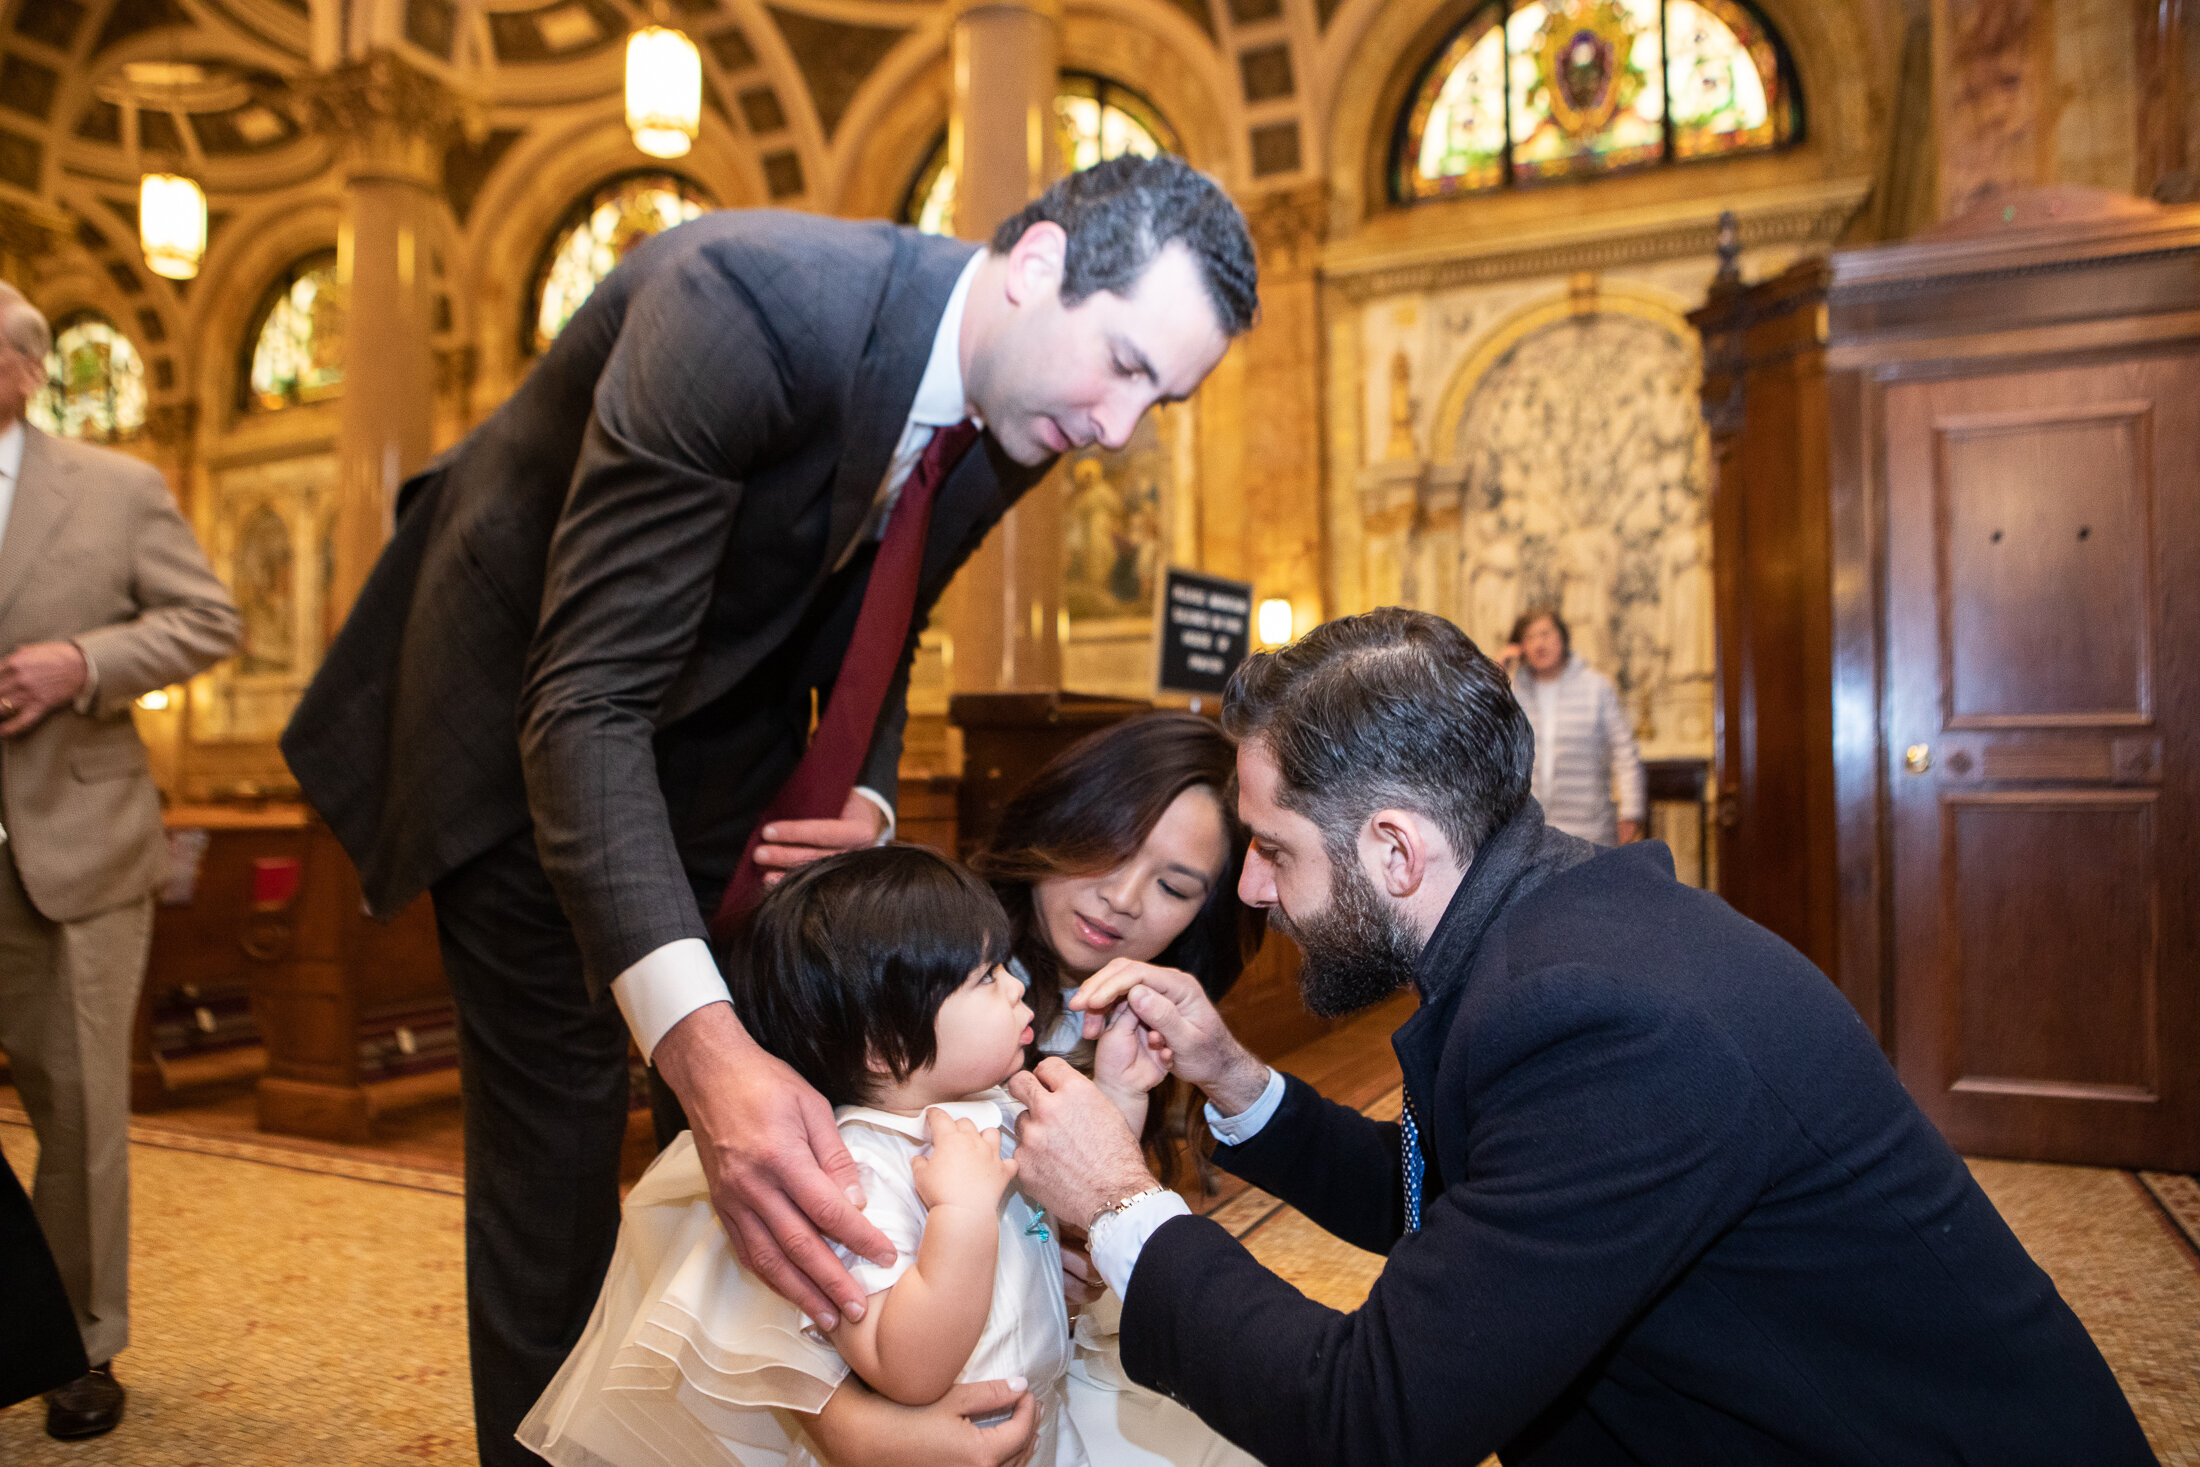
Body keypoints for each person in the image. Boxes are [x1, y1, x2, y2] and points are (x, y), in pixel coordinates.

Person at [280, 155, 1257, 1465]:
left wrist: (861, 782)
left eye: (1164, 396)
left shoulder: (1021, 399)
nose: (1126, 426)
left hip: (707, 750)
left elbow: (889, 609)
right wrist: (700, 1046)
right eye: (1127, 364)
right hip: (518, 748)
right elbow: (582, 702)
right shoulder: (736, 304)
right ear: (1036, 268)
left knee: (770, 1152)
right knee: (565, 1158)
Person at [1009, 608, 2158, 1467]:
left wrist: (1118, 1203)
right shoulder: (1550, 920)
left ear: (1396, 851)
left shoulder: (1604, 1021)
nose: (1250, 891)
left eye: (1275, 849)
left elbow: (1372, 1418)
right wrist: (1235, 1078)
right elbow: (1457, 1201)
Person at [515, 844, 1164, 1467]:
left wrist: (1122, 1091)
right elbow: (907, 1367)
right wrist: (962, 1213)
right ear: (885, 1045)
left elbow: (1086, 1188)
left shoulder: (992, 1104)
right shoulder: (856, 1172)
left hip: (1043, 1424)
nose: (1017, 988)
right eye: (986, 976)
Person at [0, 283, 242, 1440]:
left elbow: (209, 621)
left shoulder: (115, 490)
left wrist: (79, 663)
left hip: (73, 850)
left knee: (79, 1111)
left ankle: (80, 1344)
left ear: (22, 370)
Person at [1499, 606, 1644, 846]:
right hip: (1530, 833)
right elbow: (1485, 743)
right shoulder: (1512, 693)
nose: (1539, 644)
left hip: (1588, 829)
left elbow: (1625, 751)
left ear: (1563, 638)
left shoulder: (1596, 688)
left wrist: (1631, 810)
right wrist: (1495, 678)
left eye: (1545, 634)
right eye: (1530, 637)